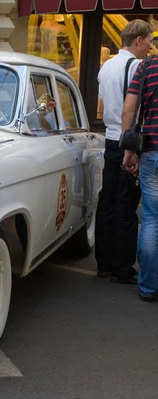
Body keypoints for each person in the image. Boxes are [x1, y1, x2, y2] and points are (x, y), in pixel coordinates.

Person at [95, 20, 153, 284]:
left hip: (110, 139)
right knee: (127, 205)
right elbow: (132, 108)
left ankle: (104, 263)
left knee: (107, 201)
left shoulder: (106, 66)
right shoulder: (137, 66)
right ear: (138, 40)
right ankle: (122, 267)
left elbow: (103, 105)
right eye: (150, 40)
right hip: (127, 140)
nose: (151, 46)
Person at [123, 51, 158, 302]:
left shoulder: (146, 67)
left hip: (152, 152)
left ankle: (148, 287)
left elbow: (129, 110)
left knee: (151, 219)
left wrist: (129, 150)